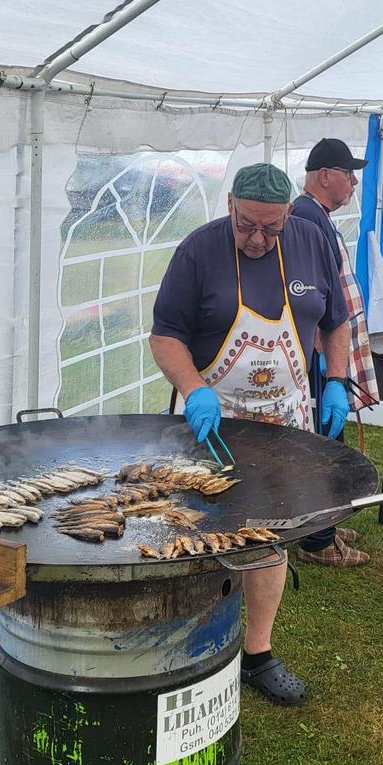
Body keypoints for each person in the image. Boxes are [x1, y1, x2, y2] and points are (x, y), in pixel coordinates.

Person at [149, 162, 351, 707]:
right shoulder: (198, 250)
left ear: (288, 215)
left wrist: (336, 381)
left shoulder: (312, 239)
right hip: (213, 416)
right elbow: (166, 335)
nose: (258, 239)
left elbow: (335, 320)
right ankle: (188, 646)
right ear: (230, 206)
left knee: (268, 534)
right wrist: (193, 389)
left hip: (285, 417)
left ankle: (256, 653)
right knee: (196, 528)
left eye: (271, 227)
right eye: (246, 225)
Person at [290, 137, 379, 568]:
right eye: (349, 174)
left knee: (329, 439)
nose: (355, 183)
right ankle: (317, 540)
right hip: (317, 356)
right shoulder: (306, 218)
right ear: (325, 175)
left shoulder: (317, 216)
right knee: (322, 446)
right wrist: (324, 361)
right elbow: (310, 296)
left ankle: (324, 524)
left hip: (327, 353)